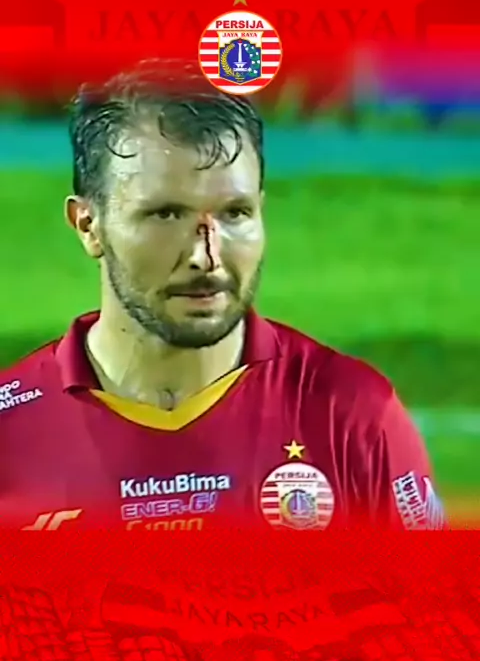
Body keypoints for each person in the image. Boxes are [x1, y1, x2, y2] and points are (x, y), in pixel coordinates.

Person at [0, 60, 445, 531]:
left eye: (235, 213)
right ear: (89, 226)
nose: (205, 256)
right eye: (166, 215)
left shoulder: (354, 418)